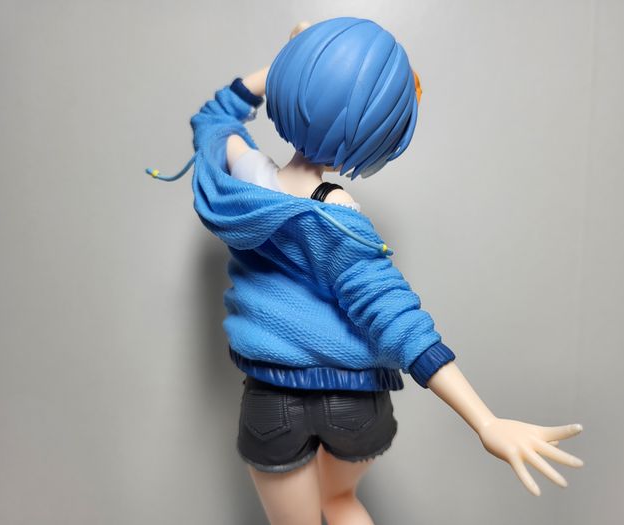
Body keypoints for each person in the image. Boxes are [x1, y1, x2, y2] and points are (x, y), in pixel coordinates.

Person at [147, 16, 584, 525]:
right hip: (354, 404)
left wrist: (290, 64)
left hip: (274, 397)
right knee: (341, 503)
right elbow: (395, 318)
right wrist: (484, 421)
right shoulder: (339, 217)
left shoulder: (242, 177)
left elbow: (214, 115)